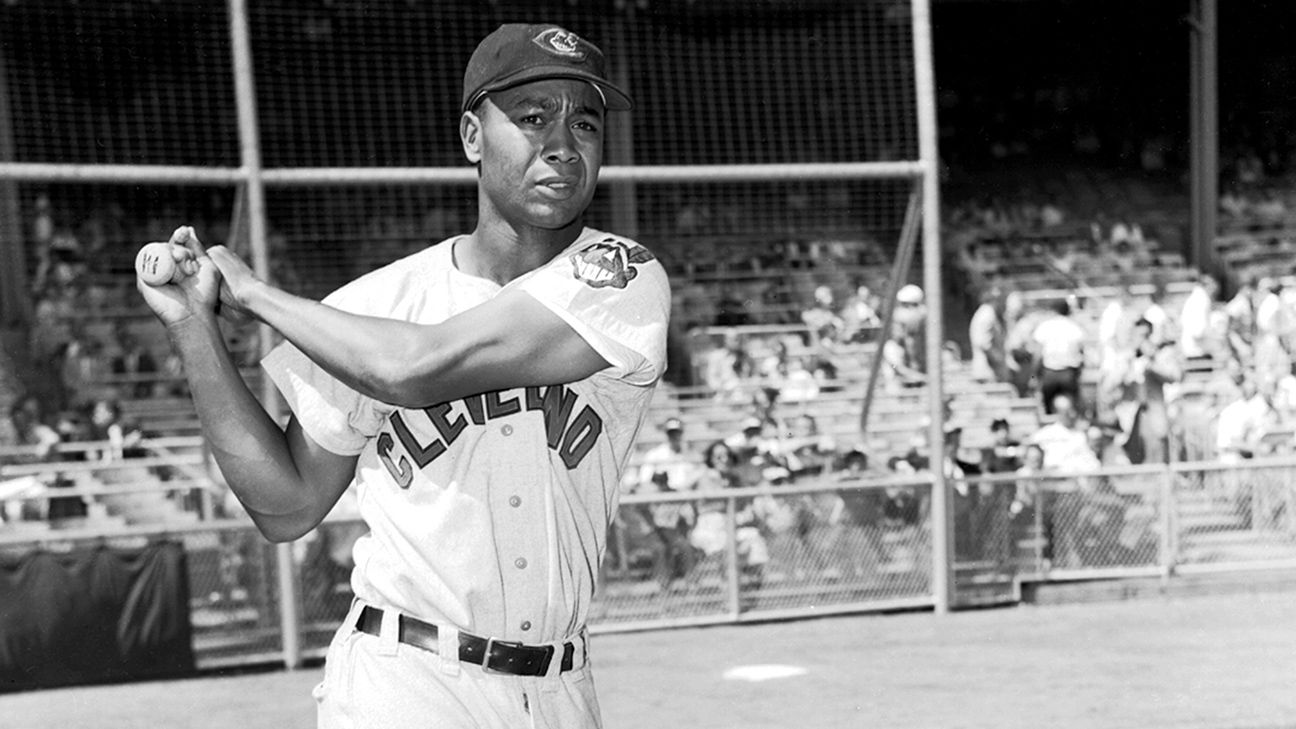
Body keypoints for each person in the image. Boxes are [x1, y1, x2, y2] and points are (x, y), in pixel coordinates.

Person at [137, 24, 666, 729]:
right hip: (404, 680)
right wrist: (192, 327)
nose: (563, 143)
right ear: (473, 137)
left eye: (585, 121)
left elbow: (411, 369)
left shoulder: (621, 276)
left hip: (560, 687)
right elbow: (286, 505)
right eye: (534, 117)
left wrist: (256, 294)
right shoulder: (374, 309)